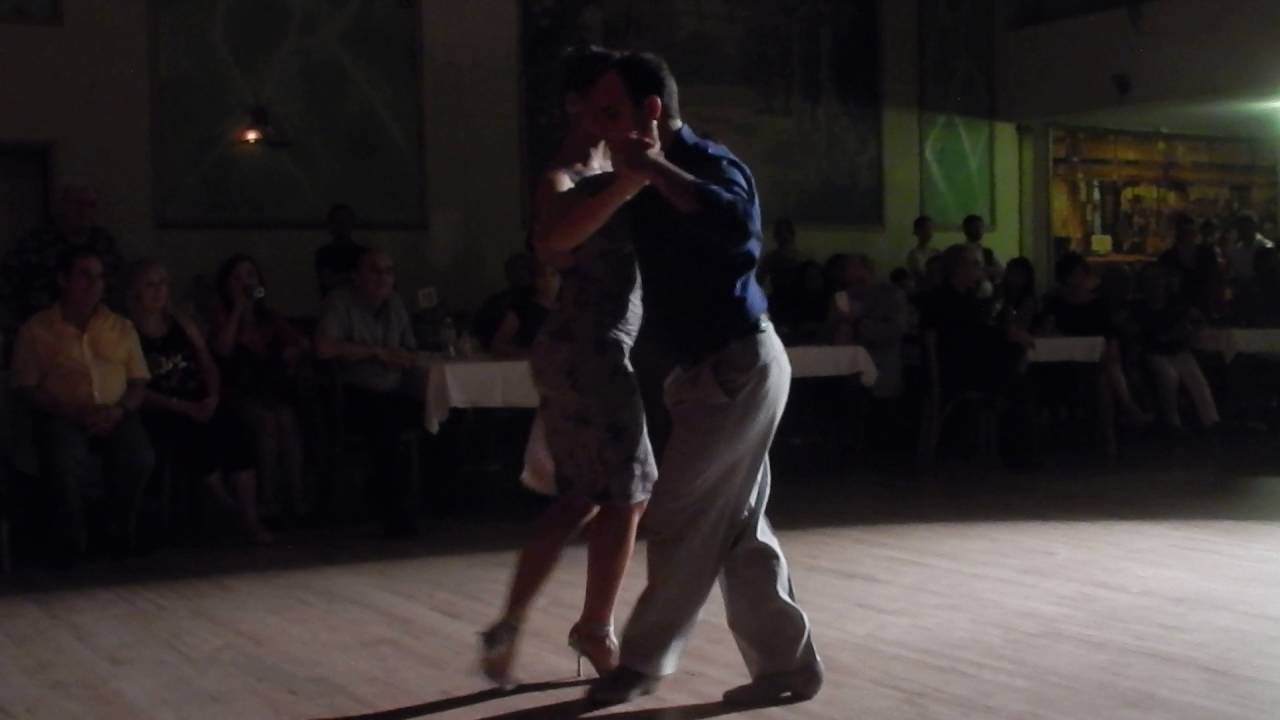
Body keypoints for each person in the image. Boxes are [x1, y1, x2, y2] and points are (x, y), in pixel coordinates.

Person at [575, 51, 822, 708]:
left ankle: (640, 663)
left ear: (651, 111)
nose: (601, 127)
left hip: (738, 364)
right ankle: (788, 666)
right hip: (711, 374)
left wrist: (654, 169)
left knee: (679, 517)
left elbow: (737, 229)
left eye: (611, 113)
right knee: (739, 529)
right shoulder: (632, 181)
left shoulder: (707, 163)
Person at [477, 46, 658, 689]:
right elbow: (552, 244)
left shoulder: (612, 165)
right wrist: (629, 183)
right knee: (631, 490)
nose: (612, 112)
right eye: (600, 101)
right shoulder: (564, 176)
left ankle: (508, 622)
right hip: (589, 348)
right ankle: (595, 629)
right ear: (575, 105)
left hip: (589, 348)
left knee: (582, 495)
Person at [10, 247, 153, 561]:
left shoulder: (121, 327)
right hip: (62, 414)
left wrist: (118, 411)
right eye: (84, 276)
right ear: (64, 280)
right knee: (64, 458)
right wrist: (70, 411)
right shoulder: (36, 330)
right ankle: (72, 541)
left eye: (99, 277)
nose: (94, 284)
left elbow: (138, 381)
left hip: (116, 413)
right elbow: (26, 387)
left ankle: (117, 531)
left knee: (138, 456)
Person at [126, 260, 270, 545]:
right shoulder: (126, 331)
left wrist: (212, 396)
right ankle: (228, 511)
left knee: (236, 430)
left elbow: (208, 363)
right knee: (193, 438)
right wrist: (182, 406)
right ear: (135, 291)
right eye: (151, 285)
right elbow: (134, 389)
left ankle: (251, 518)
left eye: (163, 283)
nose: (159, 290)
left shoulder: (182, 323)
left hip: (200, 400)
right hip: (164, 409)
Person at [315, 248, 424, 537]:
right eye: (375, 270)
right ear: (357, 276)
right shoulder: (339, 301)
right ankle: (393, 513)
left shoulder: (395, 303)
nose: (383, 278)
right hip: (355, 392)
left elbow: (410, 349)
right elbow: (324, 347)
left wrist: (402, 357)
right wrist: (375, 352)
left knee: (437, 415)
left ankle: (438, 502)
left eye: (388, 271)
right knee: (386, 423)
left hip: (393, 389)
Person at [210, 255, 309, 521]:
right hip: (236, 393)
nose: (245, 282)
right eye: (237, 277)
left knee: (286, 419)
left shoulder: (269, 317)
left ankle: (296, 499)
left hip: (269, 390)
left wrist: (293, 352)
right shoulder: (221, 314)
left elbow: (301, 342)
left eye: (250, 275)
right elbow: (223, 349)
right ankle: (267, 501)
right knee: (266, 423)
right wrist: (238, 311)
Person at [1042, 253, 1152, 427]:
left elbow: (1109, 331)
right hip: (1067, 360)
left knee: (1104, 378)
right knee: (1105, 375)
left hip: (1095, 359)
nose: (1077, 279)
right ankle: (1129, 409)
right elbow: (1048, 330)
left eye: (1079, 274)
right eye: (1072, 275)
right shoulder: (1055, 303)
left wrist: (1112, 345)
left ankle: (1114, 429)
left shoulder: (1097, 303)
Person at [0, 184, 126, 336]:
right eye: (77, 204)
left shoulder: (104, 243)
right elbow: (7, 286)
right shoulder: (36, 243)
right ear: (62, 207)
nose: (84, 211)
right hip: (44, 332)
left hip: (97, 330)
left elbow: (119, 287)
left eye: (90, 205)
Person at [1133, 264, 1220, 434]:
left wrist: (1191, 329)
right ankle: (1173, 422)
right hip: (1155, 353)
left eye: (1158, 278)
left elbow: (1198, 319)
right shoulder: (1139, 308)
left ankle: (1211, 421)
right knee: (1169, 376)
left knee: (1197, 380)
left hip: (1179, 351)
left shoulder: (1176, 303)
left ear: (1164, 281)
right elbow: (1145, 336)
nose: (1155, 283)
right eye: (1149, 279)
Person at [489, 258, 559, 358]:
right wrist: (526, 353)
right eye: (541, 276)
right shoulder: (522, 309)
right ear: (534, 280)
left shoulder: (568, 309)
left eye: (553, 275)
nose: (548, 281)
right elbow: (497, 346)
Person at [474, 253, 536, 352]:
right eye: (514, 270)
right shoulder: (497, 302)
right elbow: (478, 332)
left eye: (524, 269)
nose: (520, 274)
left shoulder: (540, 302)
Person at [314, 204, 367, 299]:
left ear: (352, 223)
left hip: (360, 302)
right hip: (334, 302)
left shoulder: (365, 253)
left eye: (346, 220)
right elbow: (328, 282)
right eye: (338, 221)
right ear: (331, 225)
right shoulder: (324, 253)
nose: (342, 225)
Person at [758, 217, 802, 296]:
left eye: (785, 232)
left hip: (796, 297)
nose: (783, 236)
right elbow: (759, 279)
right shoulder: (770, 258)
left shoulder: (800, 257)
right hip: (778, 296)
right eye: (780, 233)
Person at [1227, 212, 1273, 285]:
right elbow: (1233, 276)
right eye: (1240, 227)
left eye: (1246, 227)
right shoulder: (1235, 251)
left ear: (1254, 227)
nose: (1243, 231)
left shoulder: (1265, 247)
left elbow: (1269, 276)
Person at [963, 214, 1003, 293]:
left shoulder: (987, 252)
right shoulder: (960, 252)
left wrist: (985, 270)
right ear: (966, 229)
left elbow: (1001, 270)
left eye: (981, 227)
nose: (979, 230)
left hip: (988, 294)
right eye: (975, 227)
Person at [905, 215, 937, 284]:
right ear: (918, 231)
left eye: (931, 228)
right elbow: (921, 277)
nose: (930, 232)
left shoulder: (935, 252)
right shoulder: (913, 255)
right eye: (927, 228)